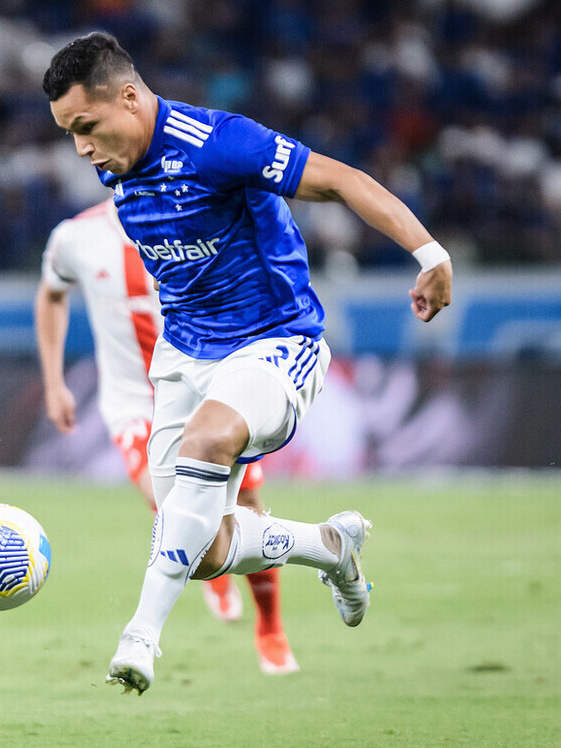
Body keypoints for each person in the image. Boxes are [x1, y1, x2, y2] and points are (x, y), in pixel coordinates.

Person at [42, 33, 452, 694]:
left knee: (208, 440)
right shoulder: (115, 162)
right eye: (69, 134)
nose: (81, 148)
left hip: (274, 342)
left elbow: (340, 180)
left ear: (129, 97)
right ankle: (328, 548)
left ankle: (140, 636)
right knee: (202, 550)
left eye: (85, 127)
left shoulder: (219, 142)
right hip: (183, 354)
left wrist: (429, 253)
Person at [36, 198, 298, 675]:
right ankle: (210, 565)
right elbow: (51, 294)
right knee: (166, 501)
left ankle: (271, 627)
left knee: (248, 503)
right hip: (132, 403)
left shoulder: (194, 215)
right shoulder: (75, 237)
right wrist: (54, 383)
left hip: (206, 385)